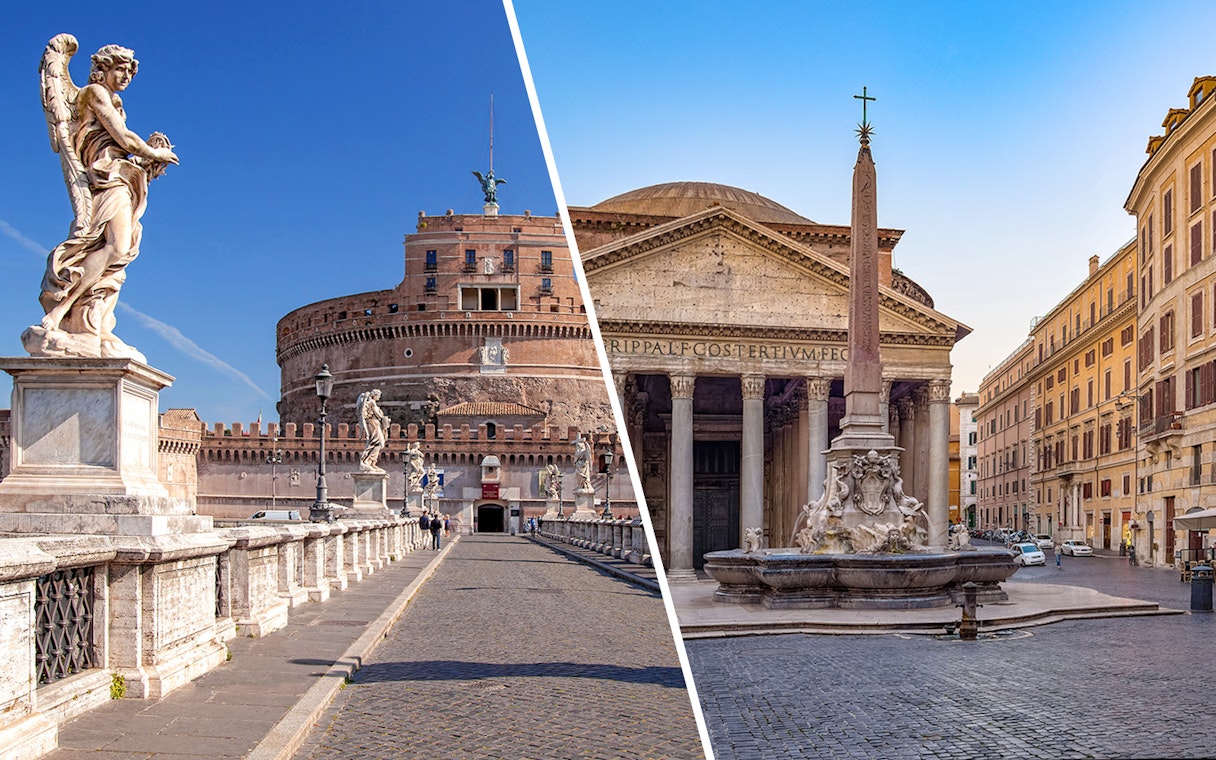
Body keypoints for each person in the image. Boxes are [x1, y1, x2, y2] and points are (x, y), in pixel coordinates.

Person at [36, 37, 178, 358]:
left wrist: (145, 163)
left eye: (130, 72)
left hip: (119, 180)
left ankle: (96, 323)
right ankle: (60, 312)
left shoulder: (114, 102)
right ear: (103, 68)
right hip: (105, 181)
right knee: (115, 246)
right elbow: (123, 138)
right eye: (120, 69)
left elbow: (121, 148)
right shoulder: (93, 94)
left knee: (118, 256)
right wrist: (154, 152)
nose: (126, 76)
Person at [356, 389, 388, 471]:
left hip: (375, 423)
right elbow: (377, 414)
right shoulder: (372, 402)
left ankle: (372, 462)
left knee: (378, 443)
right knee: (377, 442)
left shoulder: (372, 402)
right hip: (373, 423)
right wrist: (385, 419)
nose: (379, 397)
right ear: (374, 395)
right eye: (378, 395)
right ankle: (366, 461)